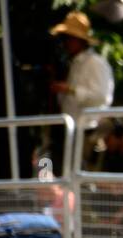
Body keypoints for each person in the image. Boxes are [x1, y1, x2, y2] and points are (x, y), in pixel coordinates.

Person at [48, 11, 114, 167]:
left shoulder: (95, 62)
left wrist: (71, 90)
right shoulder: (74, 64)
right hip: (72, 129)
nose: (66, 43)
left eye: (69, 38)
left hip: (88, 130)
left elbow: (102, 96)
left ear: (79, 40)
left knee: (82, 175)